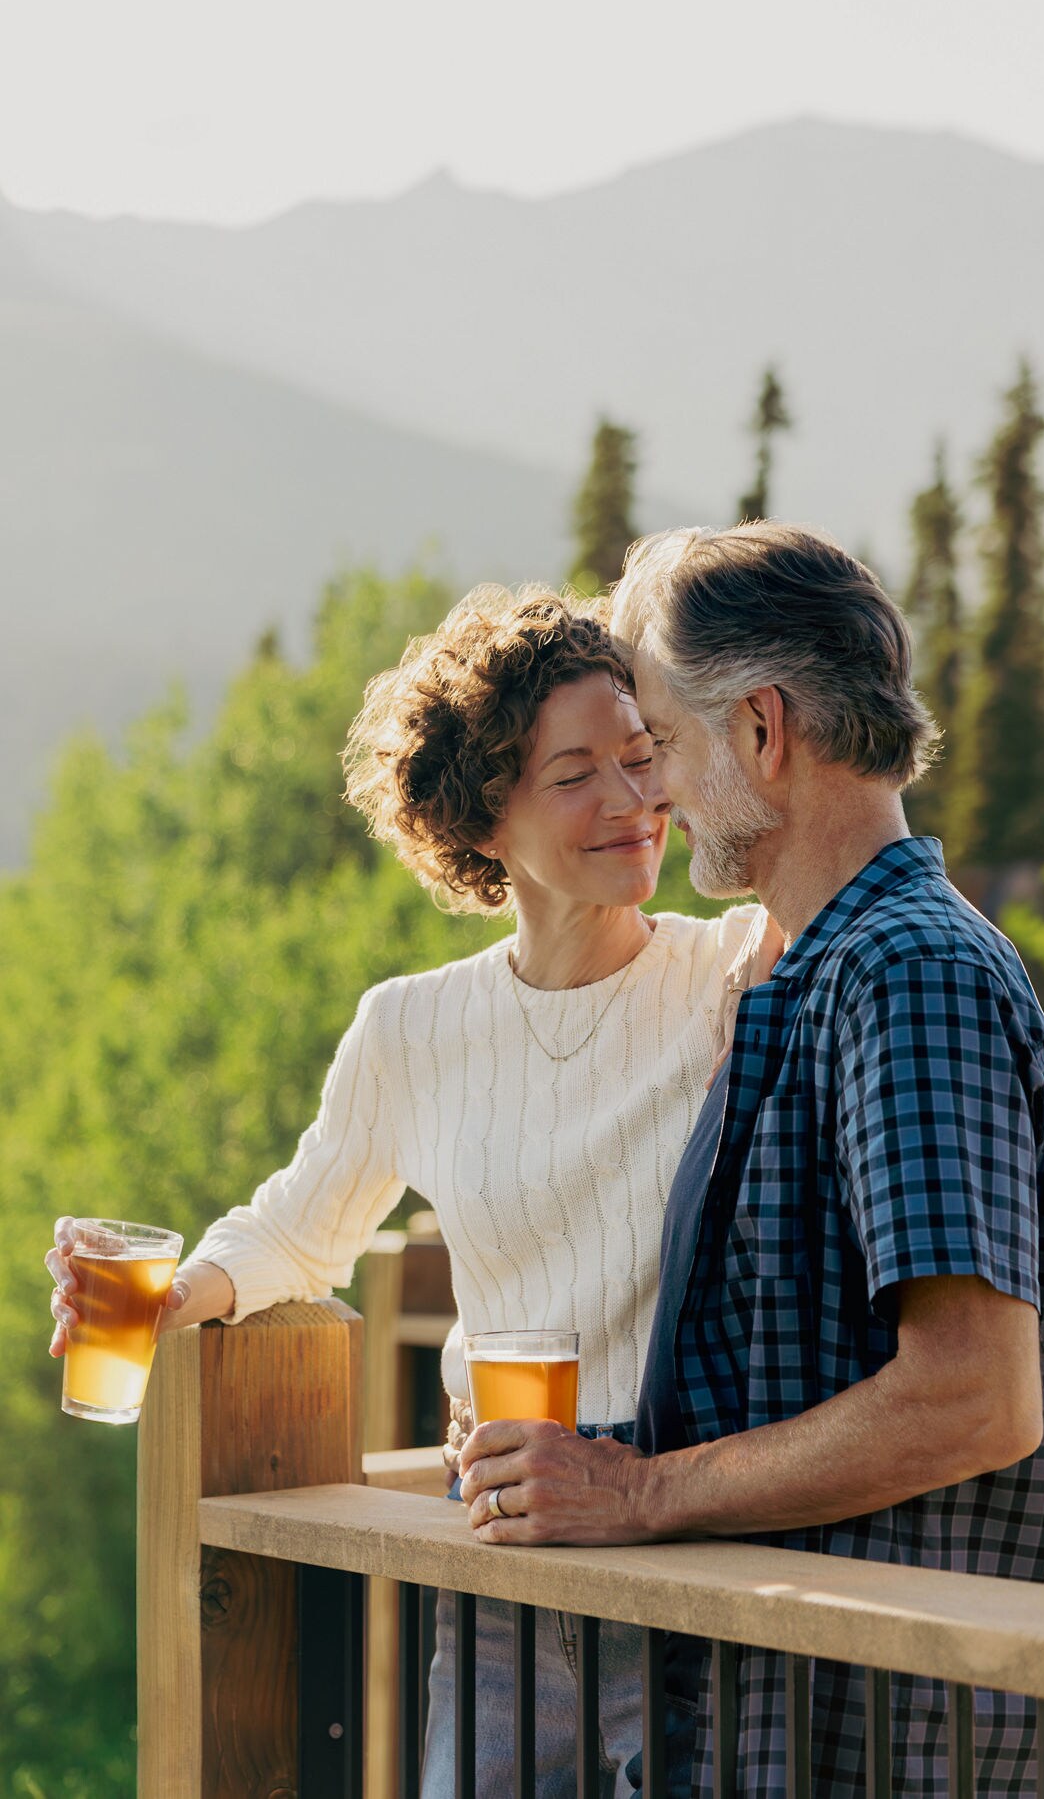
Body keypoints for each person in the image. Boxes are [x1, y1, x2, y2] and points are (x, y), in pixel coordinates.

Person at [457, 524, 1044, 1796]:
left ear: (761, 731)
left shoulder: (903, 972)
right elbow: (799, 1369)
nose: (649, 795)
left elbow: (974, 1395)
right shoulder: (820, 965)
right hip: (872, 1726)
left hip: (964, 1750)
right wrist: (568, 1464)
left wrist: (637, 1491)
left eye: (662, 746)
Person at [45, 583, 772, 1799]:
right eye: (575, 773)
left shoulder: (735, 973)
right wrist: (179, 1296)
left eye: (642, 759)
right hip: (496, 1531)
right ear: (485, 818)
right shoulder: (412, 1026)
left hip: (682, 1528)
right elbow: (300, 1226)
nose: (633, 801)